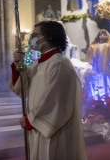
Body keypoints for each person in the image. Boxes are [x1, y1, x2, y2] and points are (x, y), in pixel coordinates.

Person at [9, 21, 87, 160]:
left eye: (34, 35)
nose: (31, 39)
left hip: (52, 128)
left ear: (49, 37)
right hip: (37, 125)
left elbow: (55, 99)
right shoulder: (38, 64)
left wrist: (31, 120)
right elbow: (23, 88)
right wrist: (18, 66)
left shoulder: (59, 63)